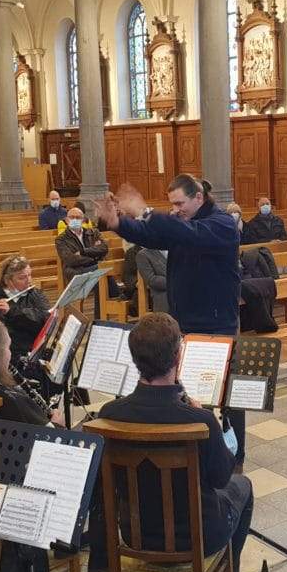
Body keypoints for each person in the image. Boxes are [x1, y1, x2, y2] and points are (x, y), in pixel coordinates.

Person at [98, 313, 253, 572]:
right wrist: (210, 421)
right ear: (178, 357)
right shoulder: (199, 419)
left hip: (135, 534)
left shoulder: (109, 413)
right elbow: (221, 478)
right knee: (242, 486)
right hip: (199, 536)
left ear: (135, 359)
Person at [94, 174, 245, 468]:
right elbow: (150, 236)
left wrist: (145, 211)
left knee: (225, 395)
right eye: (172, 204)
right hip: (184, 321)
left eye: (179, 203)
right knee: (185, 392)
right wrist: (118, 223)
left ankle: (233, 458)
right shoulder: (182, 223)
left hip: (216, 325)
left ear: (198, 197)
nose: (175, 210)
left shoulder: (222, 224)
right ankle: (192, 452)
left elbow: (189, 234)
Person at [0, 256, 50, 361]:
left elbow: (44, 319)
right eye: (22, 278)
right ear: (7, 280)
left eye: (29, 275)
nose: (29, 280)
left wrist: (12, 311)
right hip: (4, 356)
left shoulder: (35, 294)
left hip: (32, 351)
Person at [55, 205, 108, 283]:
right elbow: (70, 260)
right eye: (72, 217)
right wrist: (93, 258)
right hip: (76, 270)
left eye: (78, 217)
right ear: (67, 220)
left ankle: (111, 290)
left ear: (83, 220)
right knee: (101, 269)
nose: (75, 220)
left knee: (102, 270)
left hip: (94, 266)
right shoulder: (61, 239)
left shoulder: (93, 232)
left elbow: (104, 248)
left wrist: (83, 252)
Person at [137, 245, 169, 314]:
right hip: (163, 293)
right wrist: (174, 282)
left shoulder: (179, 249)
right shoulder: (143, 255)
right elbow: (151, 279)